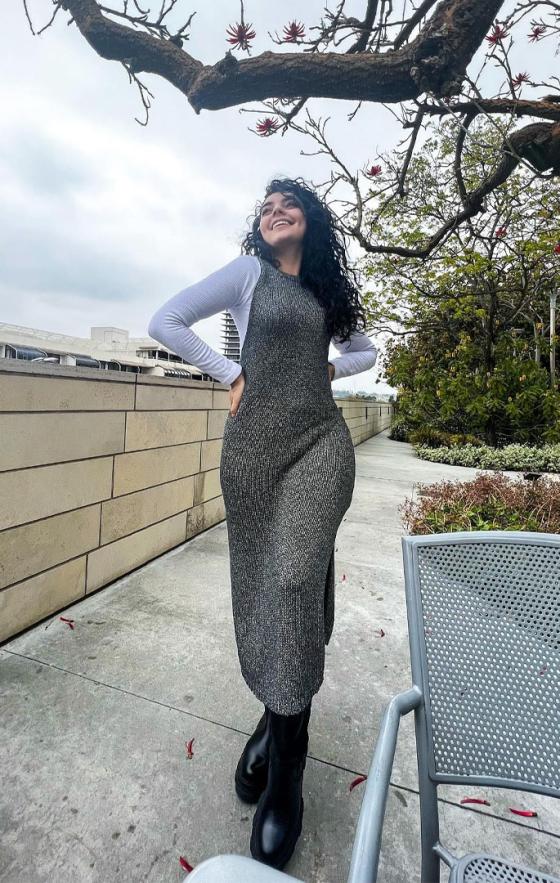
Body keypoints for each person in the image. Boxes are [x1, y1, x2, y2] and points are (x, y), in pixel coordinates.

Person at [147, 176, 378, 870]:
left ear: (311, 219)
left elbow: (367, 352)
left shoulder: (326, 293)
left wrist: (328, 369)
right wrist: (229, 372)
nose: (276, 212)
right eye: (267, 208)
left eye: (289, 204)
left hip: (320, 445)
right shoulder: (248, 274)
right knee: (268, 590)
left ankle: (286, 775)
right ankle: (274, 718)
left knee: (296, 575)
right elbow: (165, 321)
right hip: (252, 455)